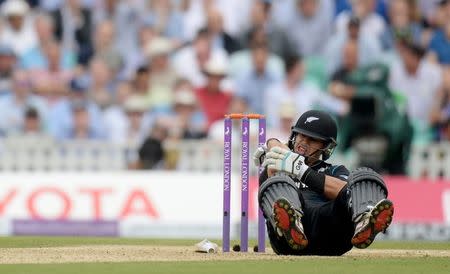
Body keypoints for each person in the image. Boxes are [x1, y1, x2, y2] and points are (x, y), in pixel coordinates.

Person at [253, 109, 394, 255]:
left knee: (363, 175)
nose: (303, 142)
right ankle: (291, 224)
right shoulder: (275, 167)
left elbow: (348, 192)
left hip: (331, 236)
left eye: (312, 139)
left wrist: (301, 170)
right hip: (287, 242)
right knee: (279, 181)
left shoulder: (335, 170)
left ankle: (365, 221)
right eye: (301, 135)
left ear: (326, 147)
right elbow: (271, 180)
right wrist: (273, 143)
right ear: (294, 135)